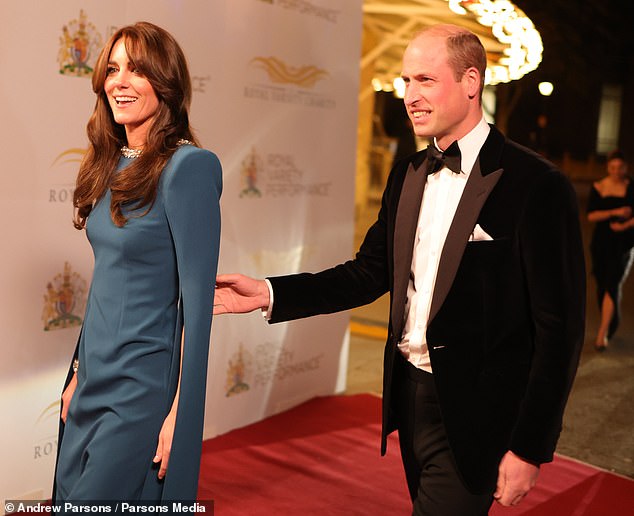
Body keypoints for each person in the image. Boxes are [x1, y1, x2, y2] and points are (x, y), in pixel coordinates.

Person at [214, 24, 585, 515]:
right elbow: (367, 274)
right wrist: (267, 293)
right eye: (406, 81)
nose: (410, 96)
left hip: (477, 415)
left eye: (425, 80)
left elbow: (558, 332)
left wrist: (530, 447)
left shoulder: (536, 184)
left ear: (471, 81)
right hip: (409, 399)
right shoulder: (407, 172)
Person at [53, 22, 222, 502]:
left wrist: (180, 417)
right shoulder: (109, 162)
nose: (118, 82)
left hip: (141, 389)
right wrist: (78, 373)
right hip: (93, 378)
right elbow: (108, 279)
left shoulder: (189, 168)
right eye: (112, 68)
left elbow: (197, 305)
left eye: (137, 70)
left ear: (166, 83)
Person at [587, 150, 634, 351]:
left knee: (612, 284)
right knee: (602, 287)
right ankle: (612, 322)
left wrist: (626, 225)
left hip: (624, 243)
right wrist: (614, 212)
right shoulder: (598, 187)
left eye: (620, 167)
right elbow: (591, 216)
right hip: (602, 243)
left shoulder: (631, 187)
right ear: (608, 168)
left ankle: (602, 333)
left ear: (626, 168)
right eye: (613, 167)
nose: (617, 171)